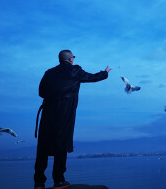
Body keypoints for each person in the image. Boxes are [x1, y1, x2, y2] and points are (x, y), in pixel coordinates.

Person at [34, 50, 111, 189]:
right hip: (64, 114)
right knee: (61, 145)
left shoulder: (48, 73)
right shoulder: (75, 70)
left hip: (47, 113)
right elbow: (92, 77)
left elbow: (41, 92)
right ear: (70, 59)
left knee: (43, 147)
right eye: (73, 57)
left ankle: (39, 183)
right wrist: (105, 73)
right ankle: (58, 181)